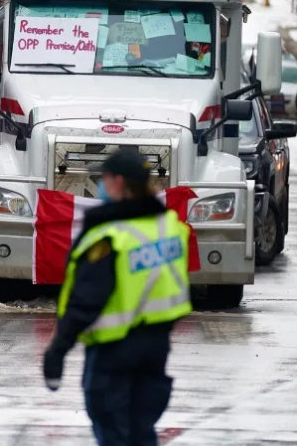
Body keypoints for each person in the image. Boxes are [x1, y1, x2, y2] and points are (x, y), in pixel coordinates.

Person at [42, 148, 192, 446]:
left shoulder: (110, 237)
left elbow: (86, 299)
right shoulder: (169, 227)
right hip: (156, 346)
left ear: (119, 182)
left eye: (105, 177)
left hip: (114, 351)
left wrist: (58, 349)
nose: (101, 184)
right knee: (141, 431)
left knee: (113, 433)